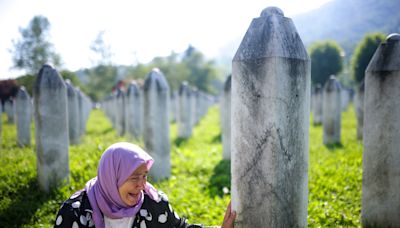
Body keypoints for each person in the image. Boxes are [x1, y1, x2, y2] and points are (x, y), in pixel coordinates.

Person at [54, 142, 236, 228]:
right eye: (134, 178)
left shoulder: (153, 204)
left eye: (145, 176)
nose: (142, 185)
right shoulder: (75, 212)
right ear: (112, 176)